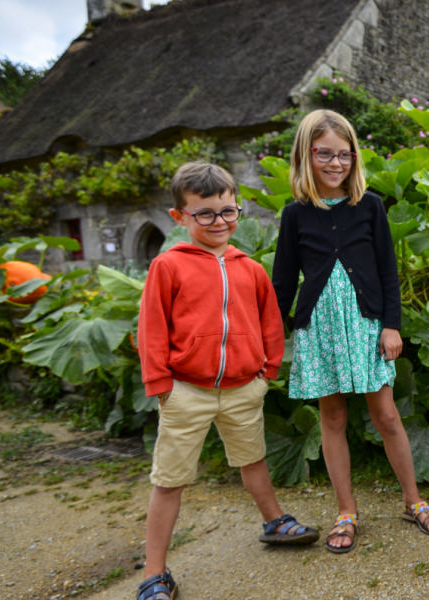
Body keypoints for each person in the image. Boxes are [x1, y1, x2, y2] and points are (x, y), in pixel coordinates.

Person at [135, 162, 319, 600]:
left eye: (228, 211)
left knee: (253, 460)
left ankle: (273, 520)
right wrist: (160, 383)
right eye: (205, 214)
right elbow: (152, 327)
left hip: (242, 387)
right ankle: (154, 572)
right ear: (180, 217)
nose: (219, 222)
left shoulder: (249, 268)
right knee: (170, 480)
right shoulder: (168, 266)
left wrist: (267, 371)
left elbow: (270, 322)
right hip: (186, 391)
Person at [272, 109, 429, 555]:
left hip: (367, 327)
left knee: (386, 415)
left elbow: (387, 270)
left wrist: (391, 325)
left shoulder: (370, 206)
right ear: (306, 155)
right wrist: (268, 335)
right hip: (321, 331)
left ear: (354, 158)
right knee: (333, 419)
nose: (335, 164)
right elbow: (283, 282)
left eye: (343, 154)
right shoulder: (295, 215)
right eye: (324, 153)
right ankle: (346, 511)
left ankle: (414, 500)